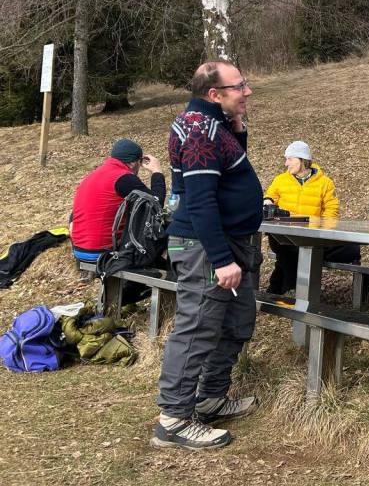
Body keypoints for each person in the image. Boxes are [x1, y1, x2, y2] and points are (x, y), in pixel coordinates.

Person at [153, 61, 264, 450]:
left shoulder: (213, 124)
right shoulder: (200, 130)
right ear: (214, 94)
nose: (247, 92)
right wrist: (221, 259)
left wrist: (239, 128)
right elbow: (199, 201)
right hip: (206, 248)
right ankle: (174, 419)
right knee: (197, 327)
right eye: (239, 87)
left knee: (237, 321)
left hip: (229, 242)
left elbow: (229, 173)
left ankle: (210, 398)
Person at [70, 139, 166, 303]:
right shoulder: (123, 178)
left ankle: (130, 293)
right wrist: (157, 172)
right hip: (103, 253)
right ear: (134, 163)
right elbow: (155, 204)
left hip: (80, 251)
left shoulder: (93, 176)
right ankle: (147, 289)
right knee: (165, 232)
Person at [263, 141, 357, 296]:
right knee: (287, 246)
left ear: (302, 160)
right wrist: (267, 202)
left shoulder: (325, 183)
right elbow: (270, 197)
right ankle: (290, 290)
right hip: (283, 233)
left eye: (290, 159)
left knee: (298, 250)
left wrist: (322, 230)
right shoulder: (280, 180)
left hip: (310, 235)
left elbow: (331, 211)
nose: (286, 163)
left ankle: (281, 290)